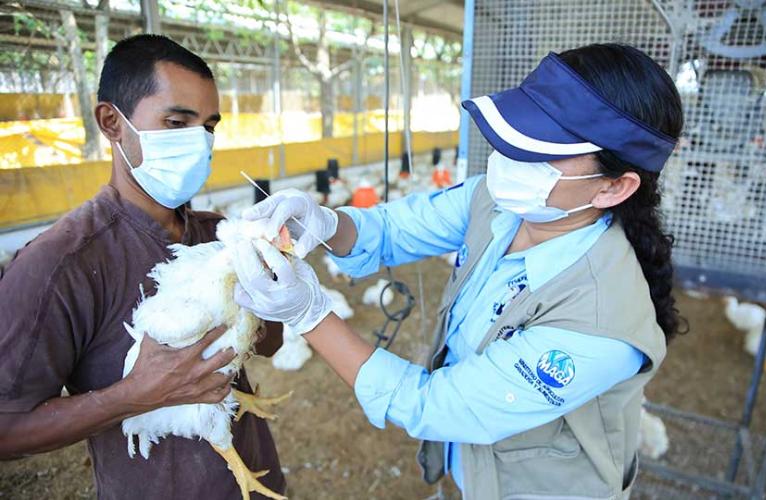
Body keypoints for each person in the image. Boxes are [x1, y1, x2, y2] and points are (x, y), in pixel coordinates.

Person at [233, 43, 685, 499]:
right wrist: (326, 222)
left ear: (613, 187)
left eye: (540, 152)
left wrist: (309, 313)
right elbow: (390, 229)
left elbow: (433, 405)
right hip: (471, 467)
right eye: (514, 138)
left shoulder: (599, 325)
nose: (509, 160)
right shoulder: (497, 204)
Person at [0, 35, 286, 499]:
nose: (200, 142)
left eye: (209, 126)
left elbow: (270, 345)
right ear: (112, 122)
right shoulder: (59, 265)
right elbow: (6, 429)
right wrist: (136, 393)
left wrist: (273, 279)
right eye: (177, 122)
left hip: (256, 482)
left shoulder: (217, 235)